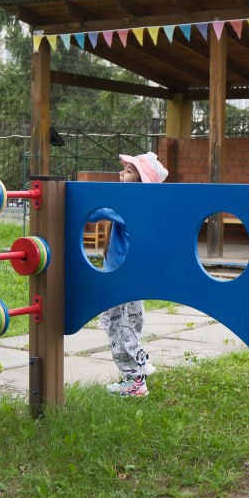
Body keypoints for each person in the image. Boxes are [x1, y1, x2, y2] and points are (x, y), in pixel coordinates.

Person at [100, 151, 166, 397]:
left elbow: (97, 212)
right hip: (118, 276)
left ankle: (138, 378)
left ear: (141, 183)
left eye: (128, 171)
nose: (121, 173)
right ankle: (133, 373)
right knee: (112, 324)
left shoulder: (130, 208)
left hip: (126, 278)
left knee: (125, 328)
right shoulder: (129, 205)